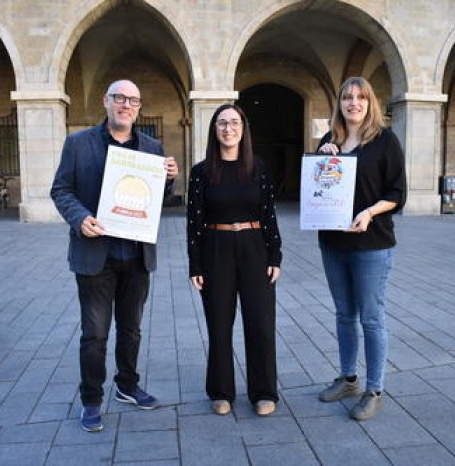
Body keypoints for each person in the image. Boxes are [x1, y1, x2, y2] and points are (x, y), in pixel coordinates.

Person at [51, 79, 179, 432]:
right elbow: (61, 189)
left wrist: (169, 180)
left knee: (132, 329)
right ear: (106, 101)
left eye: (133, 100)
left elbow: (157, 200)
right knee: (95, 333)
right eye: (120, 98)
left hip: (136, 255)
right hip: (96, 254)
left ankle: (127, 385)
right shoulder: (78, 144)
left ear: (139, 107)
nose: (126, 104)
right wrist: (80, 218)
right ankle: (91, 399)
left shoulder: (152, 148)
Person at [316, 77, 406, 421]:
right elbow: (319, 185)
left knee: (371, 317)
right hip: (333, 242)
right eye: (347, 97)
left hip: (371, 243)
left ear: (370, 103)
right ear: (339, 103)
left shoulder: (385, 141)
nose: (353, 103)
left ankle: (374, 389)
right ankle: (348, 378)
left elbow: (398, 194)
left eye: (360, 97)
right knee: (343, 314)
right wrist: (321, 159)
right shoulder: (330, 140)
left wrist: (369, 212)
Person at [187, 104, 282, 417]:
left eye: (234, 122)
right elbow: (194, 221)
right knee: (219, 324)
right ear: (215, 130)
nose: (228, 129)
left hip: (254, 247)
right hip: (216, 248)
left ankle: (264, 392)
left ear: (244, 128)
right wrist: (195, 264)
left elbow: (269, 215)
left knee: (261, 324)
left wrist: (275, 255)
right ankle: (221, 391)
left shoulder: (259, 168)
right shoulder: (201, 172)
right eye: (222, 123)